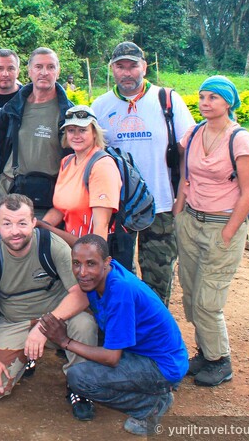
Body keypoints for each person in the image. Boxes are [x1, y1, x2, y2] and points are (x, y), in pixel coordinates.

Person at [40, 235, 187, 436]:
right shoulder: (103, 275)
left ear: (106, 262)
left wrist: (65, 341)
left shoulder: (119, 291)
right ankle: (153, 393)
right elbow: (84, 247)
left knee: (79, 378)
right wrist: (46, 227)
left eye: (90, 264)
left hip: (162, 365)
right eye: (76, 264)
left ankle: (149, 405)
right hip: (147, 353)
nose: (82, 272)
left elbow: (111, 358)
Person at [0, 194, 98, 420]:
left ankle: (80, 387)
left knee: (85, 324)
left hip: (58, 319)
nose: (15, 231)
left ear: (33, 222)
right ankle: (25, 356)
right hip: (14, 321)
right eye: (7, 224)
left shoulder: (52, 245)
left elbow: (80, 296)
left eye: (22, 223)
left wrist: (42, 327)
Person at [91, 41, 195, 303]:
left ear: (145, 67)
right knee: (120, 273)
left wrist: (181, 199)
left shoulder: (168, 101)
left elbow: (188, 150)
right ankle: (125, 333)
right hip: (120, 209)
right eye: (120, 66)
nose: (127, 73)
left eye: (133, 66)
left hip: (161, 206)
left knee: (158, 277)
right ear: (112, 70)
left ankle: (155, 336)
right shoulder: (101, 106)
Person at [173, 75, 249, 387]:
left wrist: (229, 232)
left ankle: (220, 361)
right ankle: (205, 352)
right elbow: (185, 175)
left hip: (223, 224)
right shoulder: (194, 133)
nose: (205, 103)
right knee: (191, 292)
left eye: (213, 97)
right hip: (191, 220)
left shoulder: (240, 140)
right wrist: (179, 211)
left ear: (228, 103)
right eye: (202, 97)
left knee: (208, 300)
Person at [0, 47, 74, 221]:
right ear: (29, 71)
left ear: (58, 71)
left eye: (50, 67)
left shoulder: (69, 113)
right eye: (39, 67)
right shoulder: (13, 108)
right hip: (9, 192)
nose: (44, 72)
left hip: (49, 198)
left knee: (42, 245)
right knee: (4, 245)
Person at [38, 105, 121, 248]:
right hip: (70, 244)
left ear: (94, 132)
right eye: (71, 130)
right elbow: (60, 208)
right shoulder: (67, 162)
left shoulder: (102, 166)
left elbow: (102, 225)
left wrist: (94, 258)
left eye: (82, 130)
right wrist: (40, 226)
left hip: (90, 248)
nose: (76, 136)